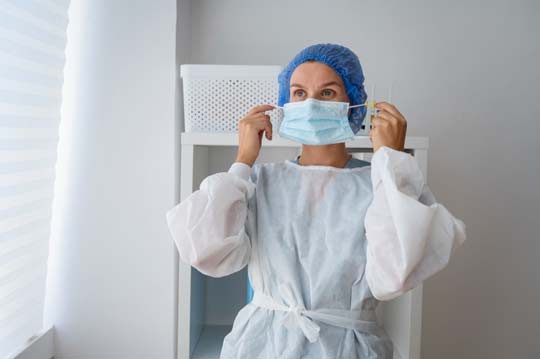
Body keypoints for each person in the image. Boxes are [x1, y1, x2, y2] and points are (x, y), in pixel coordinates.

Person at [166, 43, 467, 359]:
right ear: (285, 104)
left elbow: (393, 275)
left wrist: (389, 160)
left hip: (347, 348)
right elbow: (205, 250)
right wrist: (243, 160)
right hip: (262, 345)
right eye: (298, 93)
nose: (310, 104)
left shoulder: (380, 186)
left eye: (327, 93)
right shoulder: (258, 181)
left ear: (354, 104)